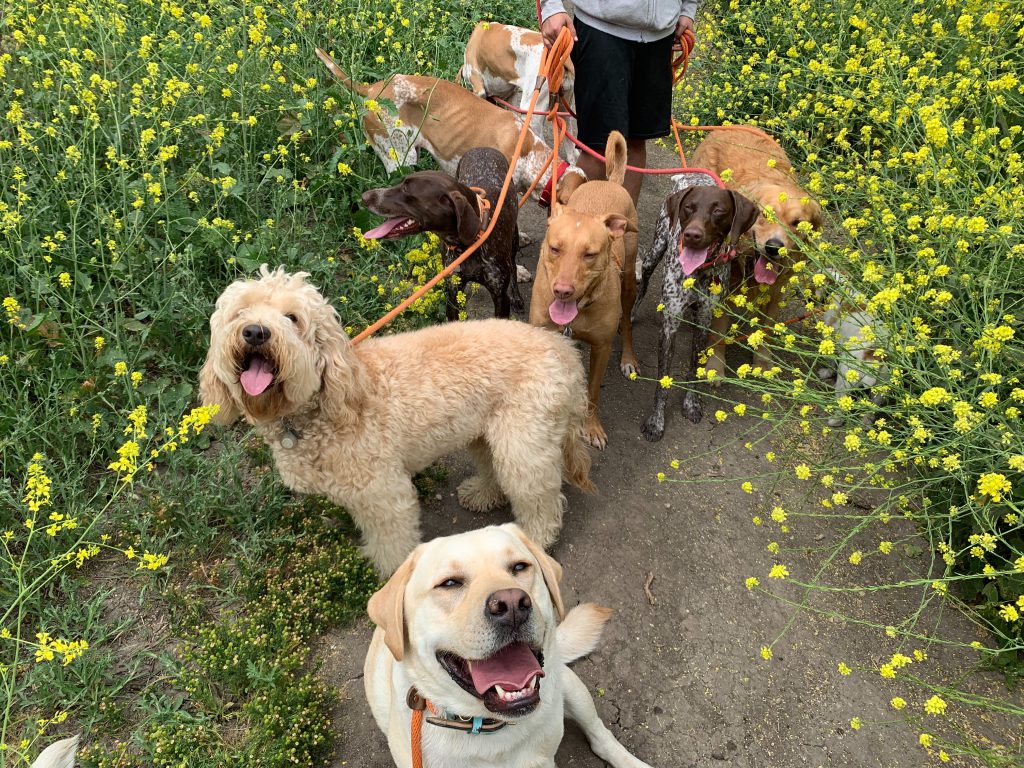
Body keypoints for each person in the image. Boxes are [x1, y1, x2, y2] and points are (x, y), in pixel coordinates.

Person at [540, 1, 698, 205]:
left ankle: (621, 234)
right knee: (597, 147)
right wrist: (551, 7)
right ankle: (567, 231)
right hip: (601, 29)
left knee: (636, 140)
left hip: (660, 37)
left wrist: (688, 9)